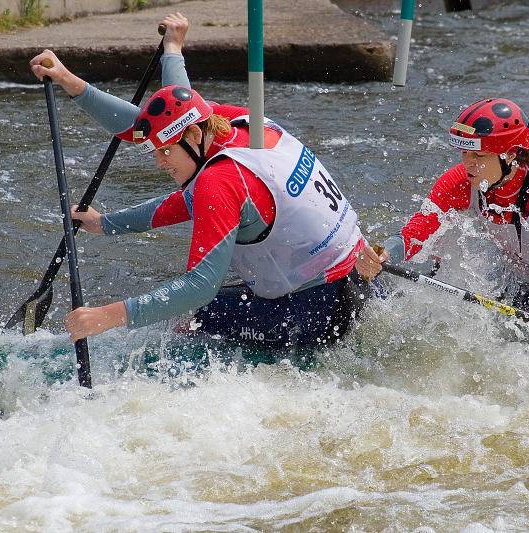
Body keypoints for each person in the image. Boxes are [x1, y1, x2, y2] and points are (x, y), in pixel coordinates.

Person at [28, 14, 369, 349]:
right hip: (363, 278)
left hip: (318, 314)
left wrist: (105, 316)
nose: (158, 161)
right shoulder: (235, 122)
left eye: (164, 152)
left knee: (191, 319)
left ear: (192, 134)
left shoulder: (218, 181)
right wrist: (71, 80)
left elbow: (200, 285)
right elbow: (158, 118)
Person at [356, 98, 529, 347]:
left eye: (478, 156)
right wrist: (384, 254)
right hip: (526, 286)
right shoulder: (461, 182)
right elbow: (416, 231)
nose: (468, 166)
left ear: (510, 154)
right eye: (465, 154)